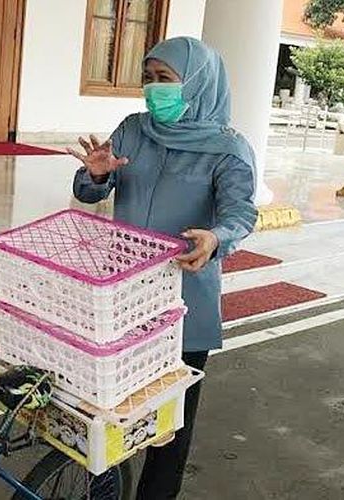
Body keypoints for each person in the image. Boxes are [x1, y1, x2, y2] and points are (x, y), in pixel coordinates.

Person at [70, 37, 258, 499]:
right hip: (123, 298)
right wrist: (95, 176)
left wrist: (217, 239)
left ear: (196, 82)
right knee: (109, 415)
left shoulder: (228, 149)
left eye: (165, 80)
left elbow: (241, 214)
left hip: (183, 303)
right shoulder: (133, 129)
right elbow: (90, 192)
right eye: (148, 79)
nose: (154, 90)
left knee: (169, 428)